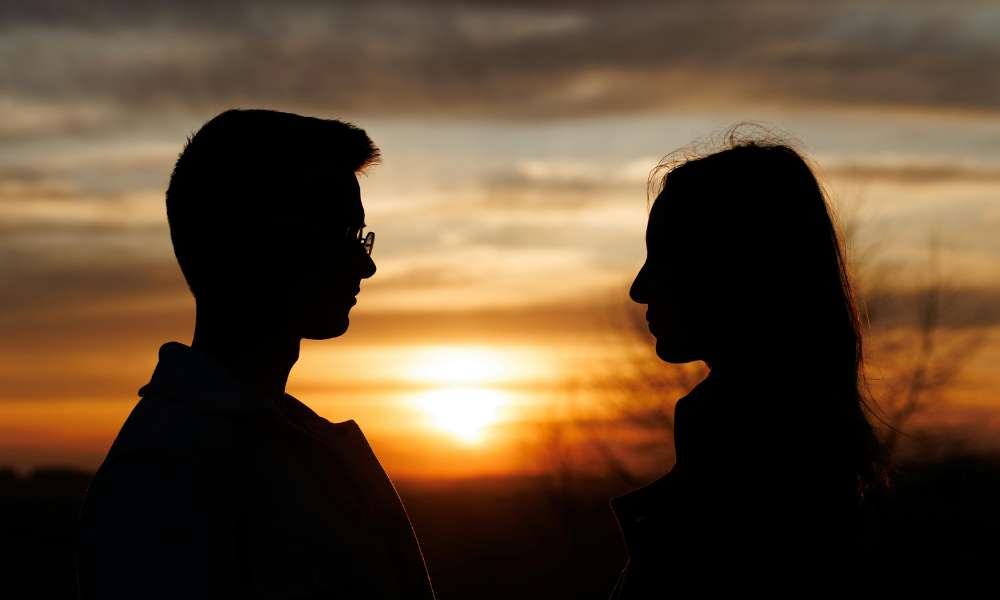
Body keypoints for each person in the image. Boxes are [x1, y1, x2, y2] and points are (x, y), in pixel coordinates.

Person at [77, 109, 435, 599]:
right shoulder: (168, 479)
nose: (365, 265)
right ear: (252, 239)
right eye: (339, 233)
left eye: (360, 237)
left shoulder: (248, 440)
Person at [611, 135, 886, 595]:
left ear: (737, 269)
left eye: (666, 257)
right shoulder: (810, 467)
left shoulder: (762, 490)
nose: (639, 288)